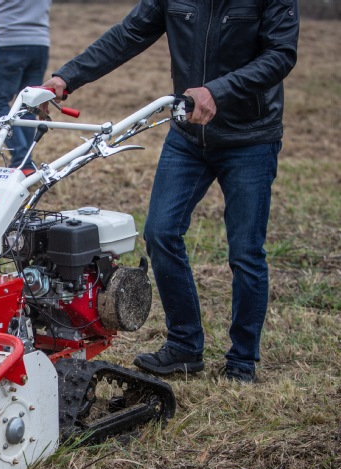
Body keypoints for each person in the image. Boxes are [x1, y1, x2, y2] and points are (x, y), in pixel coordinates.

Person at [42, 0, 299, 383]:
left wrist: (218, 90)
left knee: (246, 252)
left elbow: (281, 55)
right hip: (189, 136)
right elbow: (128, 34)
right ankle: (184, 346)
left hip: (250, 139)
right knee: (161, 233)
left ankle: (243, 359)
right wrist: (66, 78)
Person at [0, 0, 52, 171]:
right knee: (28, 106)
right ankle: (26, 164)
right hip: (40, 44)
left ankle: (22, 160)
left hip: (10, 42)